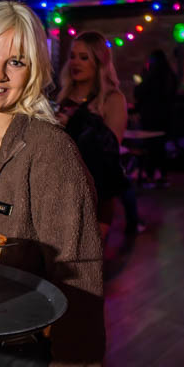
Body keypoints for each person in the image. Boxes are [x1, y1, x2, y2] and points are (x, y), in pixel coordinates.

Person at [0, 1, 104, 367]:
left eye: (16, 61)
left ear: (34, 71)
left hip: (20, 363)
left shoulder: (50, 151)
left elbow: (81, 281)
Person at [55, 31, 135, 238]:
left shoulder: (112, 99)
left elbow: (110, 149)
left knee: (89, 255)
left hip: (96, 191)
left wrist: (76, 123)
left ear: (99, 62)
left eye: (84, 57)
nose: (75, 63)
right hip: (61, 190)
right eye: (72, 56)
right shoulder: (63, 97)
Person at [134, 49, 177, 186]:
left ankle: (150, 175)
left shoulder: (151, 76)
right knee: (159, 147)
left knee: (151, 146)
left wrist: (141, 79)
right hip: (165, 117)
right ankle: (161, 175)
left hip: (151, 117)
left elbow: (139, 93)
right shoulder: (170, 76)